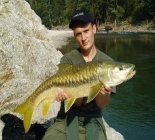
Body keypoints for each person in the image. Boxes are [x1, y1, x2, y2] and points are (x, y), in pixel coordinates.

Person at [43, 9, 116, 140]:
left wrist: (103, 93)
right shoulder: (68, 60)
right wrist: (66, 94)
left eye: (86, 31)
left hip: (93, 120)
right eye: (78, 34)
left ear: (94, 28)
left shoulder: (108, 63)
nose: (83, 38)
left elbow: (102, 105)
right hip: (66, 120)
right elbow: (75, 104)